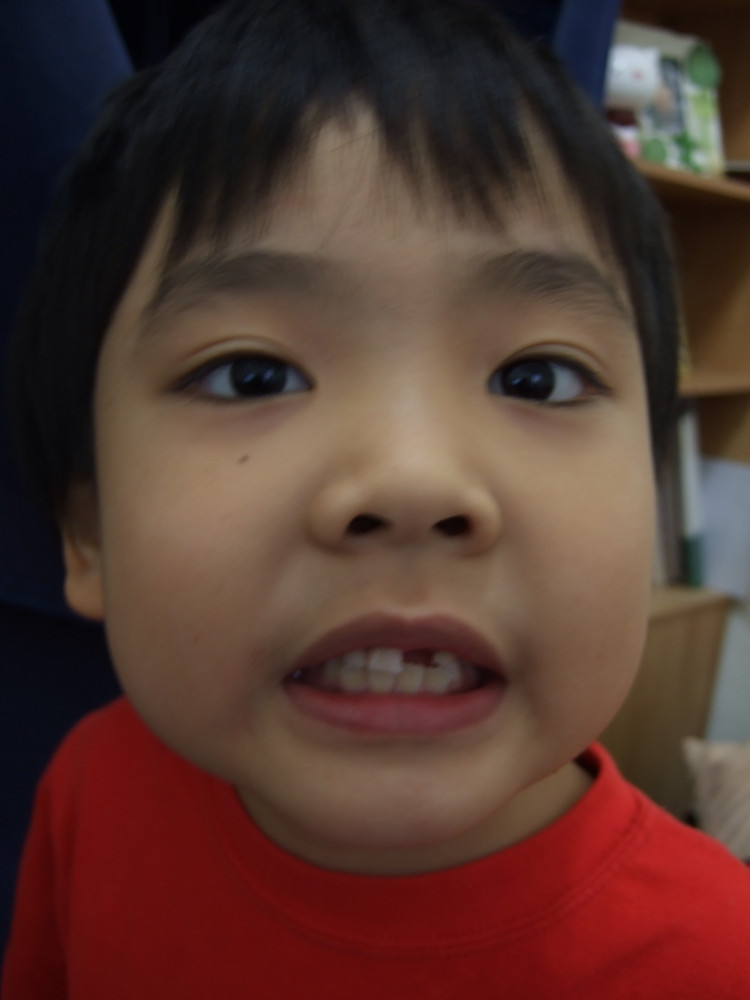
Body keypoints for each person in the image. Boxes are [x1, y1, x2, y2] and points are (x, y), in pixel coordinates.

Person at [2, 0, 749, 995]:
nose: (412, 480)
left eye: (536, 378)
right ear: (85, 529)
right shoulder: (89, 789)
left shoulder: (721, 961)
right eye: (252, 375)